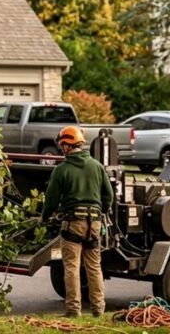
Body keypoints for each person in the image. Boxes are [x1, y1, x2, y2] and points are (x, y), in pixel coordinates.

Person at [41, 126, 114, 318]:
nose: (60, 149)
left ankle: (74, 310)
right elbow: (109, 195)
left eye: (61, 145)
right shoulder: (97, 167)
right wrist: (102, 211)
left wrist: (45, 217)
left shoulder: (62, 169)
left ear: (66, 145)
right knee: (94, 266)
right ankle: (99, 308)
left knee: (72, 266)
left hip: (73, 223)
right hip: (95, 223)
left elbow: (51, 199)